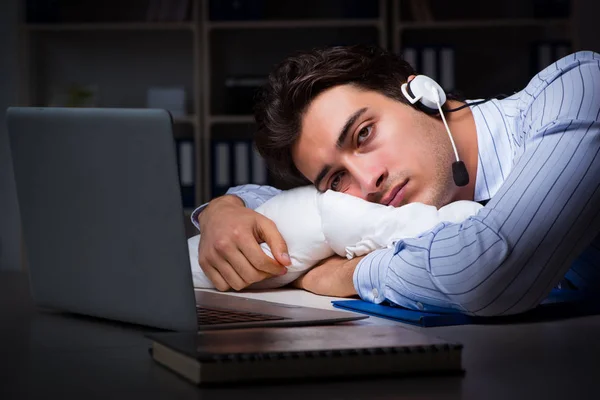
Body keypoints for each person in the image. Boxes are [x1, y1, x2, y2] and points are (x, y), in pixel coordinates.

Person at [192, 44, 600, 317]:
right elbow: (297, 206)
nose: (369, 181)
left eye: (364, 134)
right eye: (336, 179)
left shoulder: (581, 90)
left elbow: (486, 273)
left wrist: (344, 275)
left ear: (421, 93)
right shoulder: (401, 196)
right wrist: (223, 209)